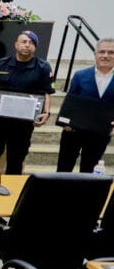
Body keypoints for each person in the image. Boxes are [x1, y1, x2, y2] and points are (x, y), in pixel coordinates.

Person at [0, 31, 53, 176]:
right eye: (24, 41)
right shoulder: (1, 63)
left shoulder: (43, 67)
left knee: (15, 163)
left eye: (31, 43)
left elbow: (46, 92)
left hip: (23, 125)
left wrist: (46, 112)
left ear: (35, 47)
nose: (27, 45)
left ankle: (10, 195)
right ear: (16, 44)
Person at [57, 39, 114, 173]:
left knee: (89, 172)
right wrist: (65, 121)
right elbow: (70, 101)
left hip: (100, 133)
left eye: (111, 52)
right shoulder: (80, 75)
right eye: (102, 52)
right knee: (64, 169)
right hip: (73, 132)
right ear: (95, 54)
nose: (105, 55)